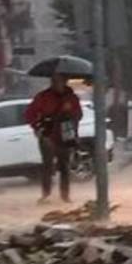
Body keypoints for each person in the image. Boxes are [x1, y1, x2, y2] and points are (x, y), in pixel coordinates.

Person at [24, 73, 82, 204]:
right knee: (47, 166)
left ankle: (65, 195)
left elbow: (78, 116)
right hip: (47, 132)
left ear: (65, 82)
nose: (57, 84)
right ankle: (46, 194)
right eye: (54, 81)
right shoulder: (42, 97)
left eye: (60, 81)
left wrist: (70, 115)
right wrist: (37, 128)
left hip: (66, 132)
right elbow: (29, 114)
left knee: (65, 166)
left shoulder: (72, 98)